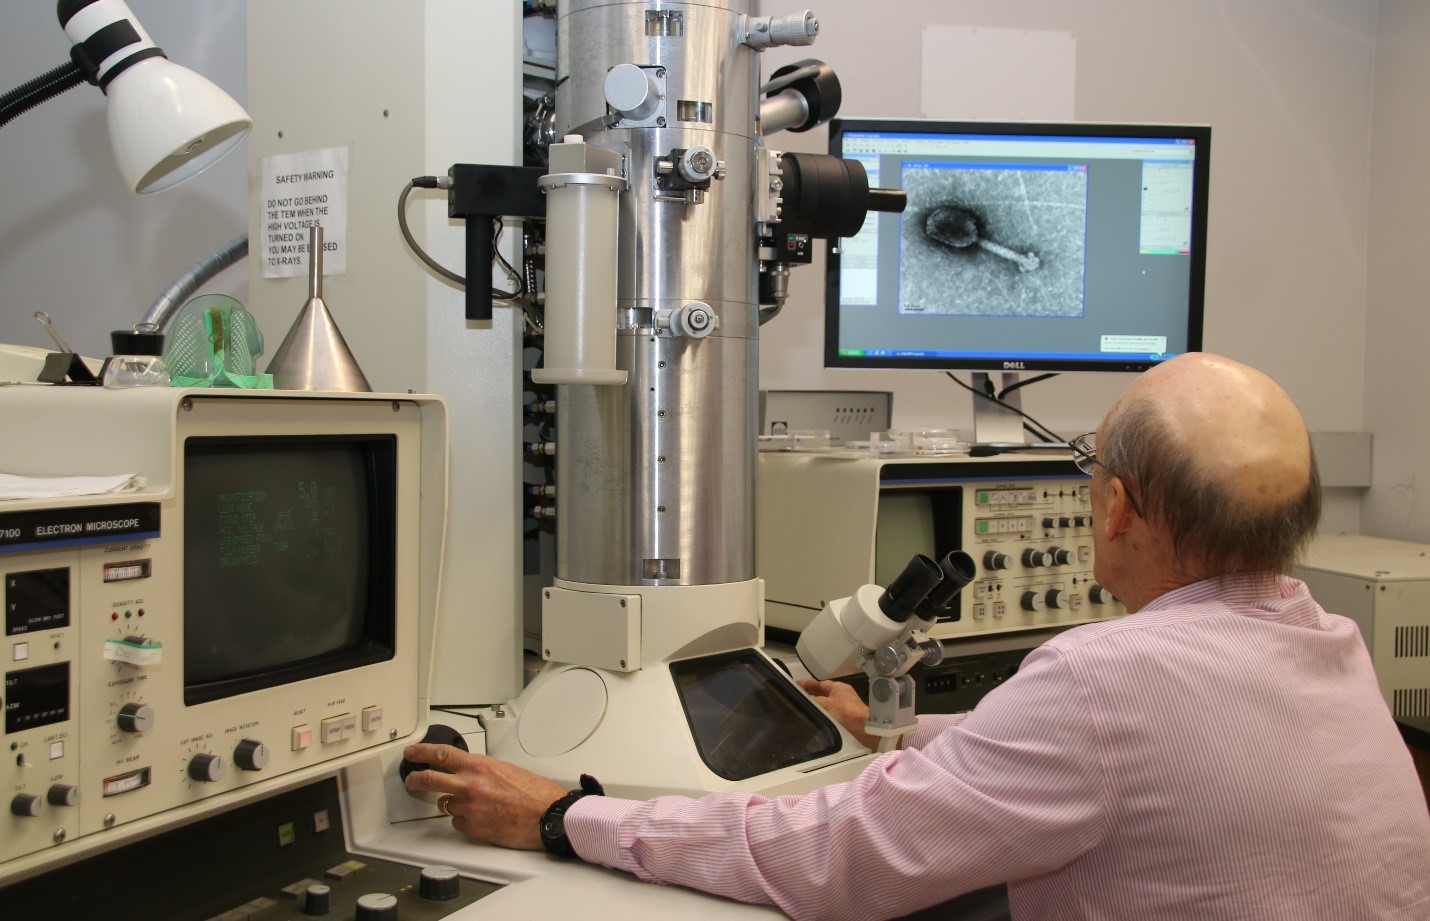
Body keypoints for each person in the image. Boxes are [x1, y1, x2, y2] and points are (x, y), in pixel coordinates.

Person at [405, 353, 1430, 920]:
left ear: (1115, 508)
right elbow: (1143, 764)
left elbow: (835, 854)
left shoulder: (1098, 679)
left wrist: (562, 816)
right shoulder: (1325, 643)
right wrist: (898, 737)